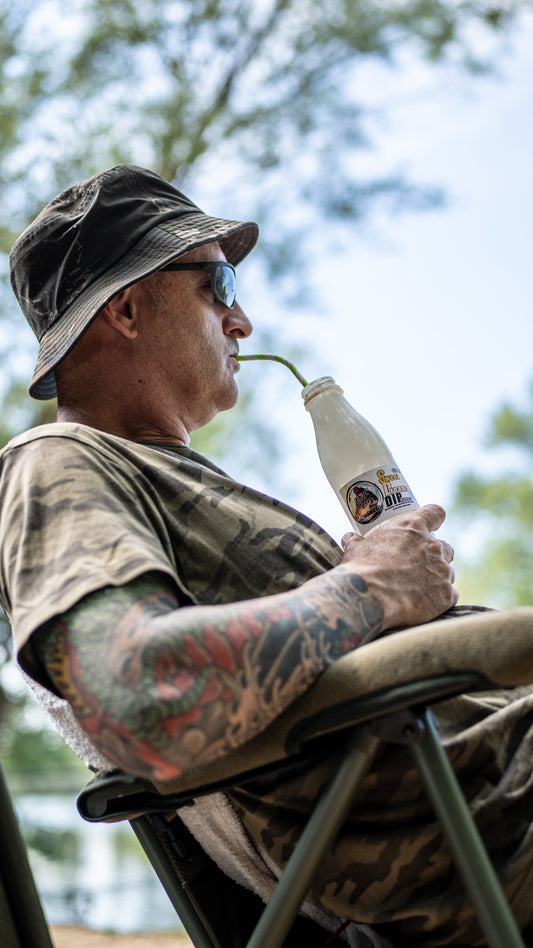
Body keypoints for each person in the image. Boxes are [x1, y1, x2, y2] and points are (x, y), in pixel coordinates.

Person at [0, 164, 531, 946]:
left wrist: (381, 592)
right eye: (217, 283)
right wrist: (369, 589)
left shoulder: (163, 478)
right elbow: (135, 692)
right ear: (126, 307)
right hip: (487, 829)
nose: (241, 319)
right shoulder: (58, 461)